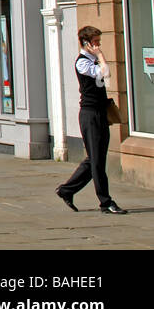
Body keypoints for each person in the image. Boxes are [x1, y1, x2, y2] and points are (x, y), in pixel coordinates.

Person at [57, 27, 128, 214]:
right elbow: (105, 73)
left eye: (99, 42)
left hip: (99, 113)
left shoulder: (92, 60)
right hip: (89, 115)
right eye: (95, 41)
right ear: (85, 42)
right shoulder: (82, 63)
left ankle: (66, 190)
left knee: (95, 159)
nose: (98, 45)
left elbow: (105, 76)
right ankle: (106, 202)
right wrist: (101, 55)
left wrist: (98, 55)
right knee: (97, 162)